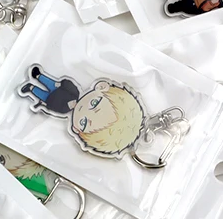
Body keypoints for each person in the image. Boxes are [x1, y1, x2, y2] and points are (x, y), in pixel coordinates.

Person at [19, 65, 147, 158]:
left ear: (76, 129)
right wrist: (61, 84)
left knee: (42, 95)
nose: (84, 111)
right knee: (51, 84)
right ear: (101, 87)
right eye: (94, 103)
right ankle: (39, 76)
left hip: (49, 100)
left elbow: (50, 107)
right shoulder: (74, 92)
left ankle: (31, 88)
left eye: (84, 122)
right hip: (57, 89)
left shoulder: (63, 111)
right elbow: (69, 84)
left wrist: (43, 106)